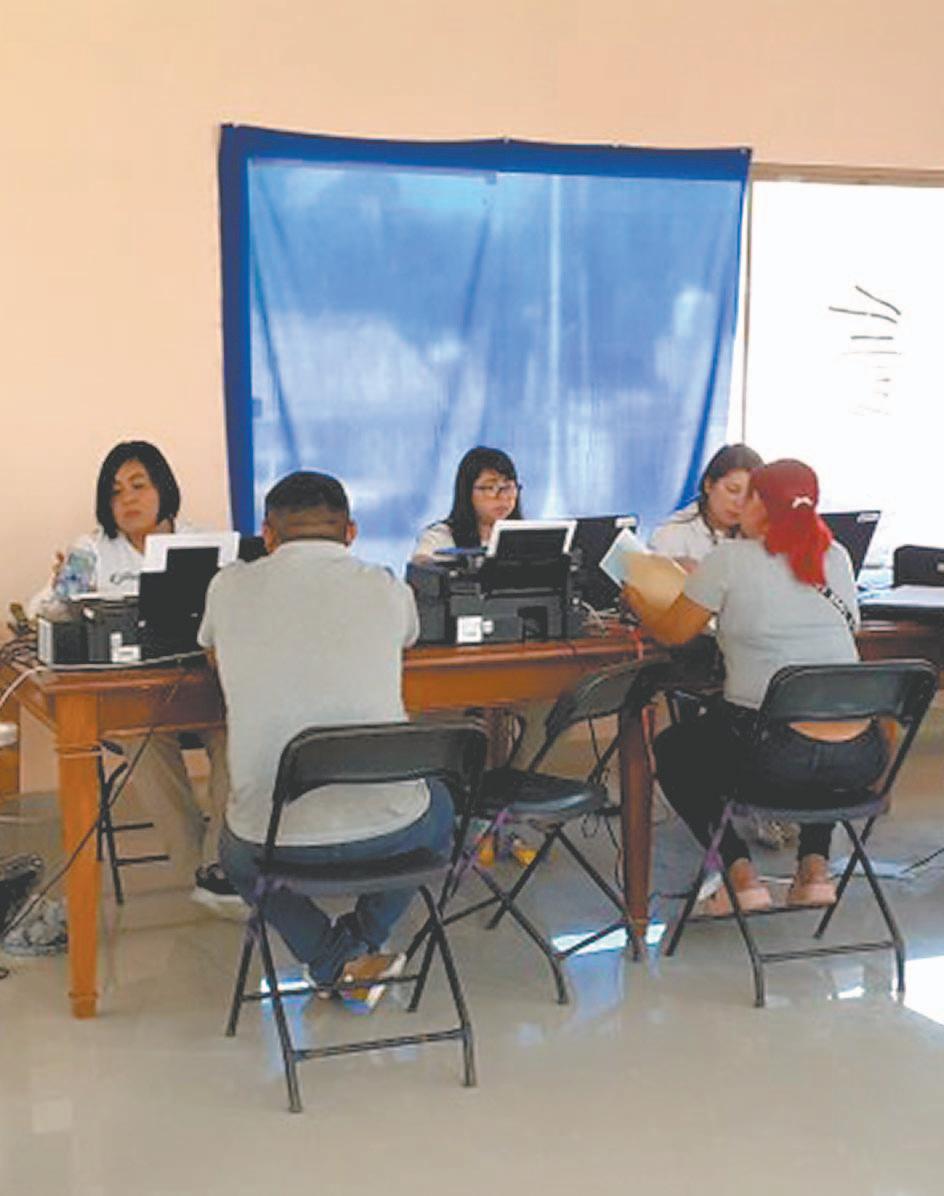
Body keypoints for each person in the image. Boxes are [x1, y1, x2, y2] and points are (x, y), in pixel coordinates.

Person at [202, 471, 455, 1008]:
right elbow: (408, 637)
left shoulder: (227, 587)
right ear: (351, 532)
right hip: (392, 831)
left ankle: (333, 958)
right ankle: (360, 946)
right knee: (441, 811)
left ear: (267, 535)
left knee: (235, 852)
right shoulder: (386, 588)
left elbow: (213, 653)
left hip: (270, 839)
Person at [626, 459, 888, 913]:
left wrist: (636, 598)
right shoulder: (837, 556)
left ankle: (741, 876)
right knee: (820, 723)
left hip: (773, 759)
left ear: (759, 505)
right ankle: (814, 870)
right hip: (861, 759)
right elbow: (849, 627)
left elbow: (673, 632)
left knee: (674, 749)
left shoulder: (730, 559)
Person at [29, 440, 235, 905]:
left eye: (139, 486)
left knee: (234, 739)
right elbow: (43, 610)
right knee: (144, 740)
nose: (128, 500)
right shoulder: (92, 550)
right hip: (134, 702)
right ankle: (197, 868)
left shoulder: (206, 543)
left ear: (164, 488)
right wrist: (62, 588)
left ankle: (221, 860)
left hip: (203, 692)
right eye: (115, 492)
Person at [649, 443, 764, 570]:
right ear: (708, 485)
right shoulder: (672, 535)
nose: (740, 503)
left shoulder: (757, 538)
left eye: (749, 496)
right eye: (732, 490)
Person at [413, 445, 522, 556]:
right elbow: (421, 562)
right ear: (467, 492)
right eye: (490, 487)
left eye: (508, 487)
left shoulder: (526, 538)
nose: (503, 496)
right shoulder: (440, 538)